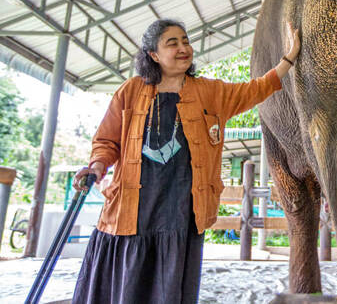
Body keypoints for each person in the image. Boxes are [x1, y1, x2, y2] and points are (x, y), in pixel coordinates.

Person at [71, 19, 300, 304]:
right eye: (172, 43)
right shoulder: (130, 91)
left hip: (181, 213)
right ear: (153, 55)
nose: (183, 48)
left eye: (185, 41)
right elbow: (106, 142)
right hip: (132, 211)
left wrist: (289, 58)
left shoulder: (210, 92)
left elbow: (257, 88)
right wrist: (96, 167)